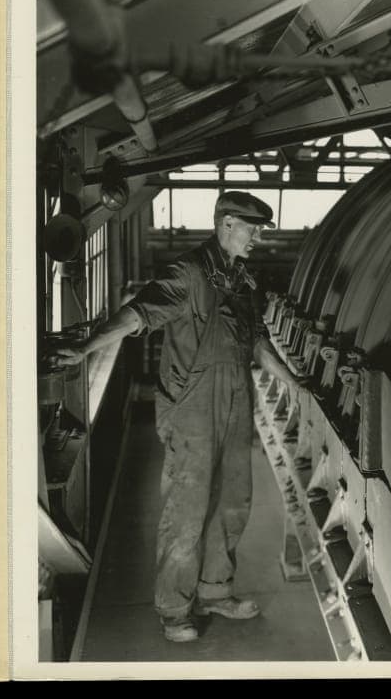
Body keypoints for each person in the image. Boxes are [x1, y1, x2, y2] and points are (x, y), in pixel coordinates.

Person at [53, 191, 303, 643]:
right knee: (187, 511)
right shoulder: (187, 274)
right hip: (193, 407)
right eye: (253, 228)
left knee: (233, 502)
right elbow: (136, 316)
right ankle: (173, 608)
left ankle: (214, 591)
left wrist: (295, 383)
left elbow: (259, 345)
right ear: (226, 224)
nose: (259, 237)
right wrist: (86, 348)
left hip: (236, 402)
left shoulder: (244, 281)